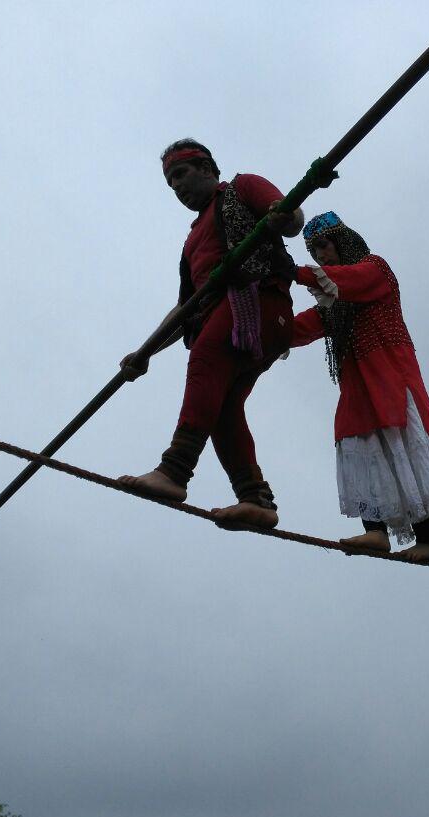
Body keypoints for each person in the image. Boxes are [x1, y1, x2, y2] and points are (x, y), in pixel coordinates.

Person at [118, 139, 303, 529]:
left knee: (204, 357)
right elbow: (187, 309)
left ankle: (174, 471)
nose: (177, 187)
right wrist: (145, 351)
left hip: (259, 302)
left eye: (181, 174)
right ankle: (256, 499)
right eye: (170, 183)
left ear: (207, 168)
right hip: (228, 320)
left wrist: (281, 218)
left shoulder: (242, 188)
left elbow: (292, 218)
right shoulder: (190, 243)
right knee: (221, 409)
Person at [289, 211, 429, 562]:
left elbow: (349, 279)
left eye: (323, 244)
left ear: (344, 239)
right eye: (313, 251)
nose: (320, 255)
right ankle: (376, 533)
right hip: (359, 385)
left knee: (406, 443)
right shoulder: (336, 304)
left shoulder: (374, 270)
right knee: (359, 441)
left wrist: (288, 271)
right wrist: (264, 325)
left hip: (390, 375)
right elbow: (299, 327)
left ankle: (427, 538)